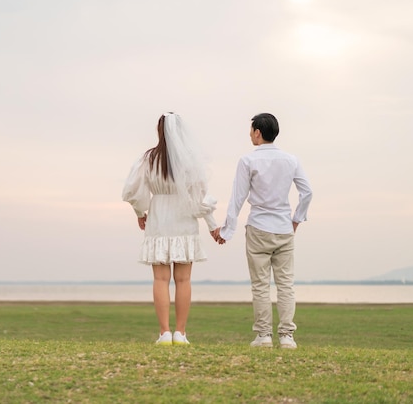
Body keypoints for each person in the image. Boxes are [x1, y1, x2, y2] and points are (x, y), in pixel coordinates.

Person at [212, 113, 313, 349]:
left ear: (258, 132)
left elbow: (238, 198)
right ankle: (287, 336)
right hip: (284, 228)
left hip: (258, 227)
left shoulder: (247, 161)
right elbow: (307, 192)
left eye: (251, 130)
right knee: (286, 284)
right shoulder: (291, 160)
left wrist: (226, 231)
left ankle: (264, 336)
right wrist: (296, 220)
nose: (249, 134)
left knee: (260, 285)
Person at [122, 112, 218, 345]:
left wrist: (139, 213)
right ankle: (181, 333)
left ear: (160, 130)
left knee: (160, 280)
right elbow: (200, 196)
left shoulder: (149, 158)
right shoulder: (190, 161)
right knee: (183, 280)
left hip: (159, 218)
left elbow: (135, 190)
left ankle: (164, 332)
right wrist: (213, 226)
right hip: (184, 218)